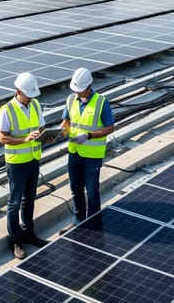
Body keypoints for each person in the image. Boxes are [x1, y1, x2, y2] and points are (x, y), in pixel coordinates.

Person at [0, 72, 49, 259]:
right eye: (28, 94)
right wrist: (24, 139)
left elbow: (41, 127)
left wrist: (46, 136)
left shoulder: (34, 104)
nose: (31, 98)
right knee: (14, 202)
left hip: (33, 159)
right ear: (18, 91)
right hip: (17, 163)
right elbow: (3, 138)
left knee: (30, 198)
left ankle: (29, 232)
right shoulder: (7, 110)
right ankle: (15, 239)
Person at [60, 67, 115, 230]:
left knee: (92, 192)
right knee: (75, 189)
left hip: (92, 155)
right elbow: (66, 122)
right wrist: (63, 130)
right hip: (74, 153)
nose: (78, 93)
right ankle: (78, 220)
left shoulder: (101, 102)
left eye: (80, 90)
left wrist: (89, 135)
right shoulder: (70, 100)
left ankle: (94, 223)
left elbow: (110, 127)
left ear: (89, 85)